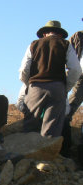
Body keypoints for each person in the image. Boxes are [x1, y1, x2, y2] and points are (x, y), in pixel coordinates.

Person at [19, 20, 81, 138]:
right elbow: (76, 70)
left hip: (36, 86)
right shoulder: (65, 44)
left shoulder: (34, 44)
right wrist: (65, 87)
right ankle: (48, 154)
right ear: (60, 34)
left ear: (44, 33)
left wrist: (29, 85)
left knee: (30, 126)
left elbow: (23, 70)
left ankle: (27, 154)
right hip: (57, 88)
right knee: (52, 129)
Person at [64, 21, 83, 159]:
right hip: (80, 77)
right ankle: (66, 144)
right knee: (70, 107)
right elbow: (67, 54)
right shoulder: (78, 36)